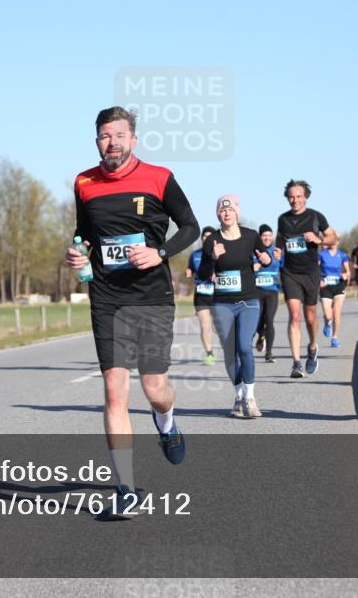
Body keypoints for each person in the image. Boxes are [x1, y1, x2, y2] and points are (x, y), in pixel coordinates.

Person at [66, 106, 199, 519]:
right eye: (105, 136)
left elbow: (191, 228)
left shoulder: (159, 177)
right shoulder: (83, 182)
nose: (113, 143)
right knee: (113, 390)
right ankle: (126, 488)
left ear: (134, 139)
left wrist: (158, 251)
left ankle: (168, 422)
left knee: (155, 389)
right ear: (97, 142)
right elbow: (84, 233)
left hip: (152, 296)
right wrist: (77, 253)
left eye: (120, 135)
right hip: (107, 297)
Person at [199, 196, 272, 419]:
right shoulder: (212, 241)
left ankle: (249, 398)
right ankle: (239, 396)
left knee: (244, 347)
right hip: (222, 303)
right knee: (230, 354)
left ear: (238, 212)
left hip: (248, 300)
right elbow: (202, 274)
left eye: (230, 209)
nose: (227, 213)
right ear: (218, 214)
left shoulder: (251, 236)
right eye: (222, 210)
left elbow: (265, 257)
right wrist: (212, 258)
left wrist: (267, 259)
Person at [276, 179, 338, 378]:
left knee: (310, 317)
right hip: (290, 272)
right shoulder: (283, 219)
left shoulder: (316, 216)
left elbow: (332, 237)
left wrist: (319, 239)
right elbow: (280, 241)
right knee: (294, 316)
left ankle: (312, 347)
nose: (294, 200)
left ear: (306, 197)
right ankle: (296, 363)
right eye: (291, 197)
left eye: (298, 197)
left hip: (311, 272)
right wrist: (277, 251)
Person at [186, 226, 218, 365]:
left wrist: (218, 275)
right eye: (204, 236)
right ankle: (209, 353)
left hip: (218, 295)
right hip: (201, 294)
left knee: (218, 327)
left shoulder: (219, 254)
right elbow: (190, 269)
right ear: (202, 238)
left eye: (209, 236)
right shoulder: (195, 254)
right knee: (205, 325)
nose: (206, 239)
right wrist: (188, 271)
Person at [253, 224, 282, 363]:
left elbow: (286, 267)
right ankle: (261, 334)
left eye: (270, 235)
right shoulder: (253, 252)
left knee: (269, 319)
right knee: (257, 321)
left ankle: (269, 353)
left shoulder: (277, 252)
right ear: (260, 237)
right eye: (264, 235)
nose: (267, 238)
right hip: (256, 291)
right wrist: (254, 267)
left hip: (272, 291)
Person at [318, 239, 351, 348]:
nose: (333, 242)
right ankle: (327, 322)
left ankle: (334, 337)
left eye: (335, 240)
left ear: (337, 241)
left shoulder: (342, 255)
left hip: (339, 285)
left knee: (337, 313)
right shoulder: (321, 254)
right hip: (325, 287)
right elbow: (315, 268)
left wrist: (346, 275)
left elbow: (348, 271)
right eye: (330, 240)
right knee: (328, 315)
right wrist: (319, 281)